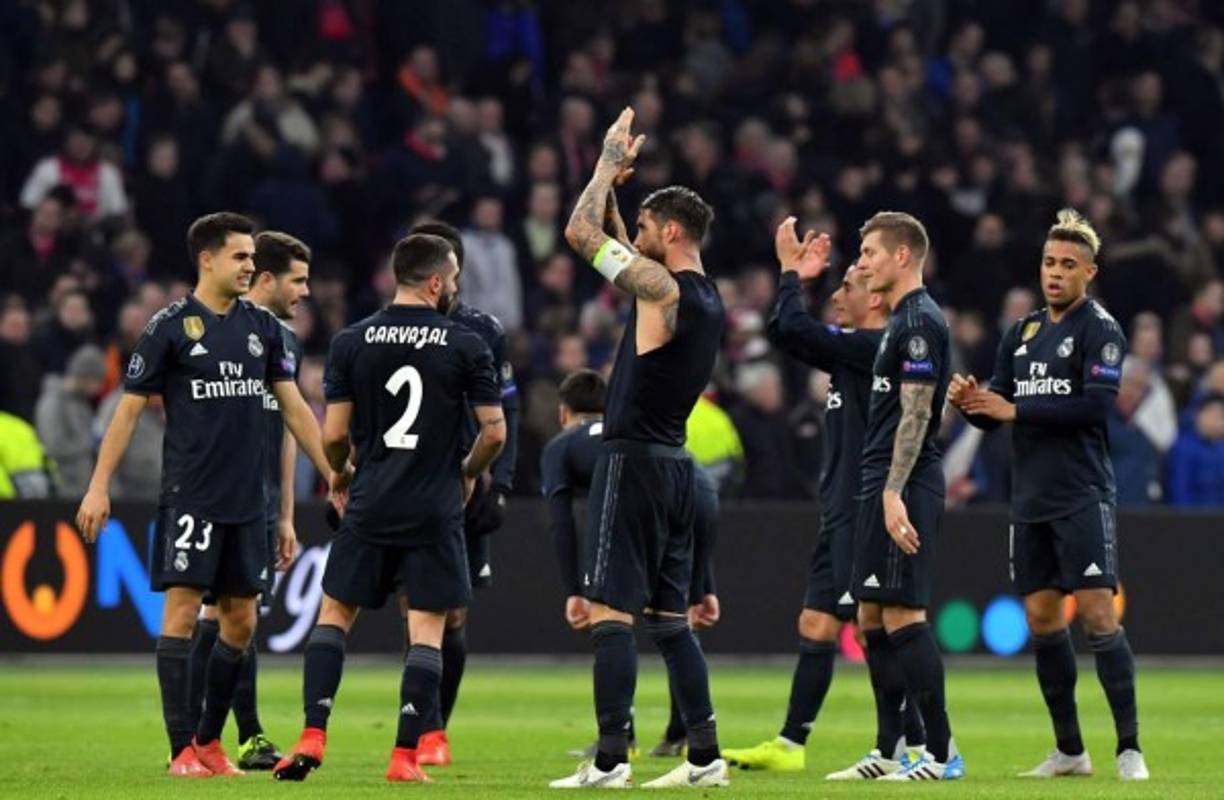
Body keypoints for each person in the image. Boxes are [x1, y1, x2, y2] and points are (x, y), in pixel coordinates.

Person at [75, 212, 344, 778]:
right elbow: (127, 412)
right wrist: (98, 486)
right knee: (179, 614)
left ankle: (209, 741)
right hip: (192, 497)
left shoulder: (264, 329)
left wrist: (332, 474)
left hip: (248, 501)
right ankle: (180, 750)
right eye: (240, 256)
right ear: (208, 259)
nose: (250, 266)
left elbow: (295, 409)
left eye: (252, 258)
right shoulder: (169, 327)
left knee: (240, 624)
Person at [272, 233, 506, 783]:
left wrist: (340, 474)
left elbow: (334, 434)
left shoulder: (351, 341)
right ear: (435, 282)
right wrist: (466, 473)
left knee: (335, 615)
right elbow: (494, 432)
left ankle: (312, 734)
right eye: (453, 277)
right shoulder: (467, 343)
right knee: (426, 629)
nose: (455, 286)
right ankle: (404, 756)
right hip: (434, 506)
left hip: (371, 500)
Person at [550, 107, 728, 789]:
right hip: (676, 467)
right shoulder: (702, 296)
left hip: (631, 464)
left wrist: (602, 164)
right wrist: (618, 197)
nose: (641, 238)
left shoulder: (658, 288)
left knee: (610, 616)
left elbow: (579, 234)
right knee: (671, 621)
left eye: (650, 228)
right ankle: (705, 757)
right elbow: (618, 246)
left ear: (672, 232)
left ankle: (609, 760)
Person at [949, 209, 1149, 780]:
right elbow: (999, 408)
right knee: (1041, 618)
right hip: (1030, 498)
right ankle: (1070, 751)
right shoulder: (1022, 332)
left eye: (1067, 265)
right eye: (1048, 262)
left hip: (1081, 493)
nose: (1055, 273)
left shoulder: (1100, 329)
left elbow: (1095, 406)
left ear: (1089, 272)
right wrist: (973, 404)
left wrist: (1014, 409)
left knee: (1097, 614)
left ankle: (1129, 748)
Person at [724, 219, 926, 777]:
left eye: (847, 288)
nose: (836, 297)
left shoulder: (875, 347)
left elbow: (791, 325)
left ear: (875, 300)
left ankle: (919, 743)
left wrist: (793, 273)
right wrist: (798, 282)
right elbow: (784, 331)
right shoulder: (849, 354)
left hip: (864, 508)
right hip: (838, 506)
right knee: (816, 622)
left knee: (876, 626)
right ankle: (792, 743)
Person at [542, 369, 721, 760]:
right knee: (677, 622)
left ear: (563, 412)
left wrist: (574, 590)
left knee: (612, 619)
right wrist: (703, 585)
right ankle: (686, 736)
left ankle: (619, 738)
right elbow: (698, 499)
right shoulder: (633, 430)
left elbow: (561, 521)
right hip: (696, 488)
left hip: (642, 498)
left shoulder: (564, 445)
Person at [187, 230, 312, 770]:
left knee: (238, 615)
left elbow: (287, 431)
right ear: (266, 279)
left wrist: (285, 513)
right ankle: (203, 735)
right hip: (215, 497)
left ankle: (224, 735)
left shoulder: (284, 342)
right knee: (220, 613)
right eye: (297, 280)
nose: (305, 292)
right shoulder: (219, 333)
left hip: (260, 502)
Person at [850, 211, 964, 781]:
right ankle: (890, 747)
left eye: (870, 252)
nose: (862, 262)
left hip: (905, 481)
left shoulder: (919, 322)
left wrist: (894, 490)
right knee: (870, 613)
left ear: (901, 256)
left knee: (902, 612)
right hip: (882, 478)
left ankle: (942, 754)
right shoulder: (900, 320)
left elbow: (917, 415)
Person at [406, 220, 521, 767]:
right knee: (416, 607)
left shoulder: (483, 331)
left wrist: (503, 483)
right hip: (409, 483)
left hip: (467, 488)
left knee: (453, 615)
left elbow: (506, 410)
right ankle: (423, 727)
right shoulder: (391, 329)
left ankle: (437, 728)